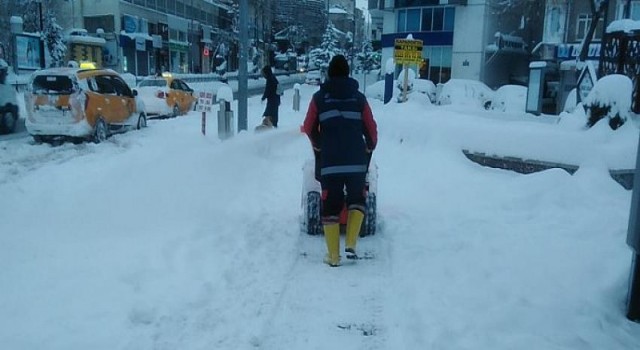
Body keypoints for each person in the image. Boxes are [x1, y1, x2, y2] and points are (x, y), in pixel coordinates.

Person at [302, 55, 378, 267]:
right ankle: (351, 242)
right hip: (356, 160)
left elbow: (308, 127)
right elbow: (371, 130)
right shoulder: (359, 98)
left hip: (330, 162)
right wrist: (369, 146)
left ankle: (333, 256)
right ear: (347, 73)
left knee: (331, 206)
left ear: (329, 73)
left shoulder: (319, 98)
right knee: (357, 199)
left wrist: (319, 144)